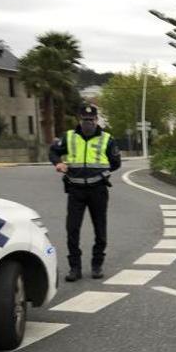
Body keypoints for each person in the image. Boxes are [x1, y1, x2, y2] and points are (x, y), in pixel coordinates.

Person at [50, 105, 121, 281]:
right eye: (84, 120)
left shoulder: (107, 139)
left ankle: (97, 265)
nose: (88, 123)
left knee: (100, 229)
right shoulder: (69, 137)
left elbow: (116, 162)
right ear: (79, 120)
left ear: (96, 120)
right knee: (72, 229)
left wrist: (100, 173)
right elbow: (53, 151)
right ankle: (75, 268)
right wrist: (58, 163)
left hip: (98, 189)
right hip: (75, 190)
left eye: (91, 120)